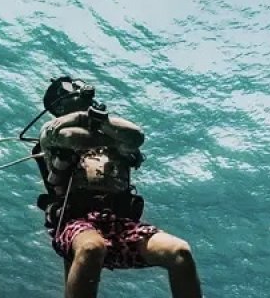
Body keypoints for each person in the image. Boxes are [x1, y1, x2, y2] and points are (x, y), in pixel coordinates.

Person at [35, 77, 202, 298]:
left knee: (180, 252)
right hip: (75, 221)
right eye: (70, 86)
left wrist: (101, 122)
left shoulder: (108, 128)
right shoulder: (51, 130)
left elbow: (136, 137)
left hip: (121, 225)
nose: (78, 87)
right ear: (58, 103)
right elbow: (75, 138)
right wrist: (101, 127)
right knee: (91, 248)